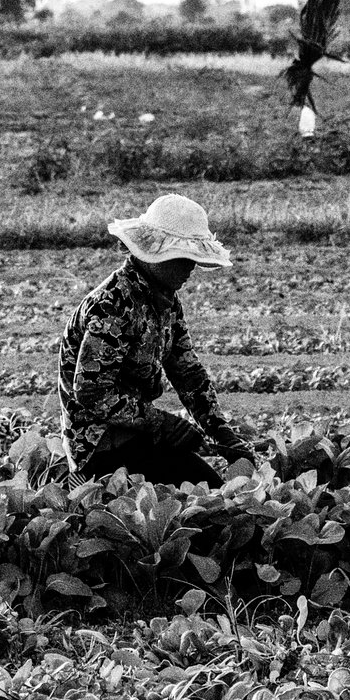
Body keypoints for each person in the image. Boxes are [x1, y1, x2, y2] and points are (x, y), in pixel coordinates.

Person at [57, 192, 256, 486]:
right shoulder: (112, 305)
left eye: (194, 259)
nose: (190, 267)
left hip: (139, 431)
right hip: (99, 440)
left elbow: (187, 371)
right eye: (183, 258)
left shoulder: (167, 302)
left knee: (209, 490)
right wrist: (163, 423)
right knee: (202, 493)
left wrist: (220, 431)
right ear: (151, 254)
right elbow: (92, 393)